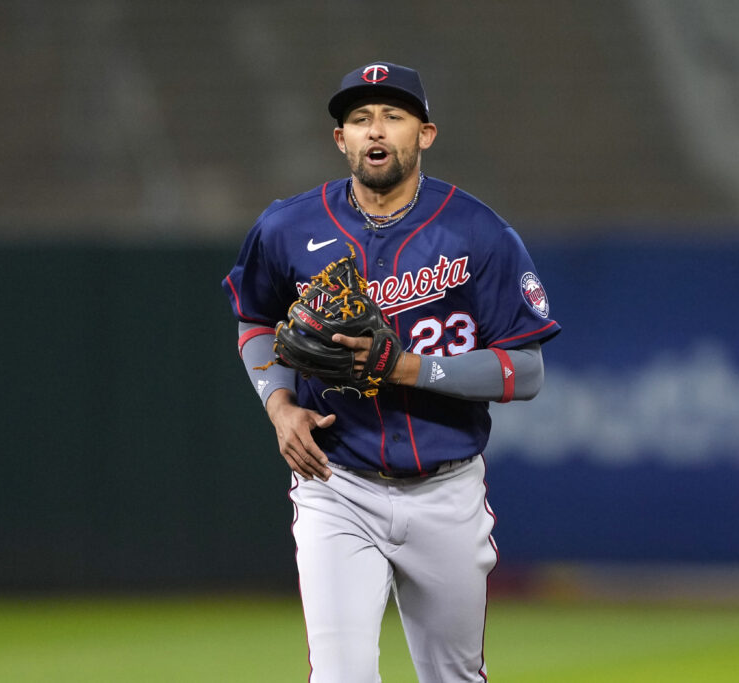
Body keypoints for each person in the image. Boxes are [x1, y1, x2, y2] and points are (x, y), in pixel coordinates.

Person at [222, 61, 560, 683]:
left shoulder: (478, 233)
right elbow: (255, 320)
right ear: (340, 139)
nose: (376, 130)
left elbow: (525, 369)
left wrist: (408, 369)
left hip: (445, 490)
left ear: (424, 134)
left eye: (393, 116)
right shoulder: (288, 227)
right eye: (360, 118)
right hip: (337, 483)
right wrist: (279, 405)